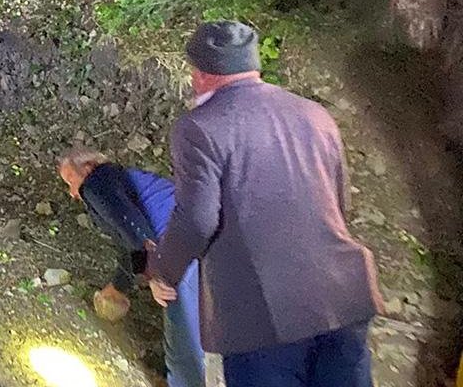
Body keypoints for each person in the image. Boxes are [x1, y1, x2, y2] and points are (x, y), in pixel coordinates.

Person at [147, 21, 382, 387]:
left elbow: (197, 219)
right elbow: (338, 202)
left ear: (203, 74)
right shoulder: (314, 113)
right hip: (342, 297)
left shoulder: (199, 127)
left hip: (265, 317)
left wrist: (163, 271)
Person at [57, 149, 204, 387]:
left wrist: (157, 274)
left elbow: (132, 227)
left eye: (70, 181)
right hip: (200, 240)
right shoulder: (121, 180)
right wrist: (117, 287)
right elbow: (128, 246)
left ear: (87, 167)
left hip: (179, 247)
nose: (73, 193)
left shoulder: (96, 182)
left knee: (184, 342)